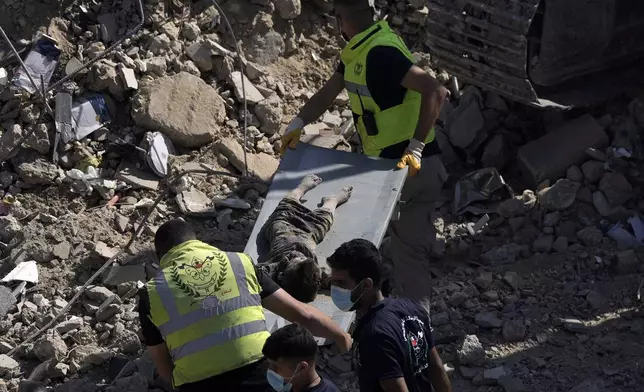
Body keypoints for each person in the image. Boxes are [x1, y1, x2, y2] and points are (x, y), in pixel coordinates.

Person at [279, 0, 449, 312]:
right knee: (378, 241)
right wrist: (298, 123)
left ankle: (413, 332)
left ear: (341, 18)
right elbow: (329, 92)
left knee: (408, 254)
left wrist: (416, 147)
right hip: (386, 170)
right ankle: (372, 310)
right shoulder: (358, 50)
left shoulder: (380, 53)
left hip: (411, 169)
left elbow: (435, 90)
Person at [138, 219, 352, 392]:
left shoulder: (150, 293)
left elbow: (165, 369)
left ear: (161, 257)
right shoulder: (240, 262)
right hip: (259, 374)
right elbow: (303, 314)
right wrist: (341, 337)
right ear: (196, 241)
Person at [327, 239, 452, 392]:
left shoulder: (374, 335)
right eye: (333, 283)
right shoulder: (412, 309)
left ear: (367, 285)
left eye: (342, 283)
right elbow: (437, 368)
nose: (335, 290)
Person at [259, 173, 353, 303]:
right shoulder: (316, 274)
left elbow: (250, 273)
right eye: (304, 258)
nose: (298, 255)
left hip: (283, 229)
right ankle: (332, 201)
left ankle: (300, 190)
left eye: (298, 259)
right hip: (308, 235)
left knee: (282, 212)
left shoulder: (272, 271)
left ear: (281, 275)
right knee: (322, 222)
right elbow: (338, 281)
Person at [262, 324, 340, 392]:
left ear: (302, 368)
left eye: (276, 367)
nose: (270, 371)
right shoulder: (292, 385)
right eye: (269, 364)